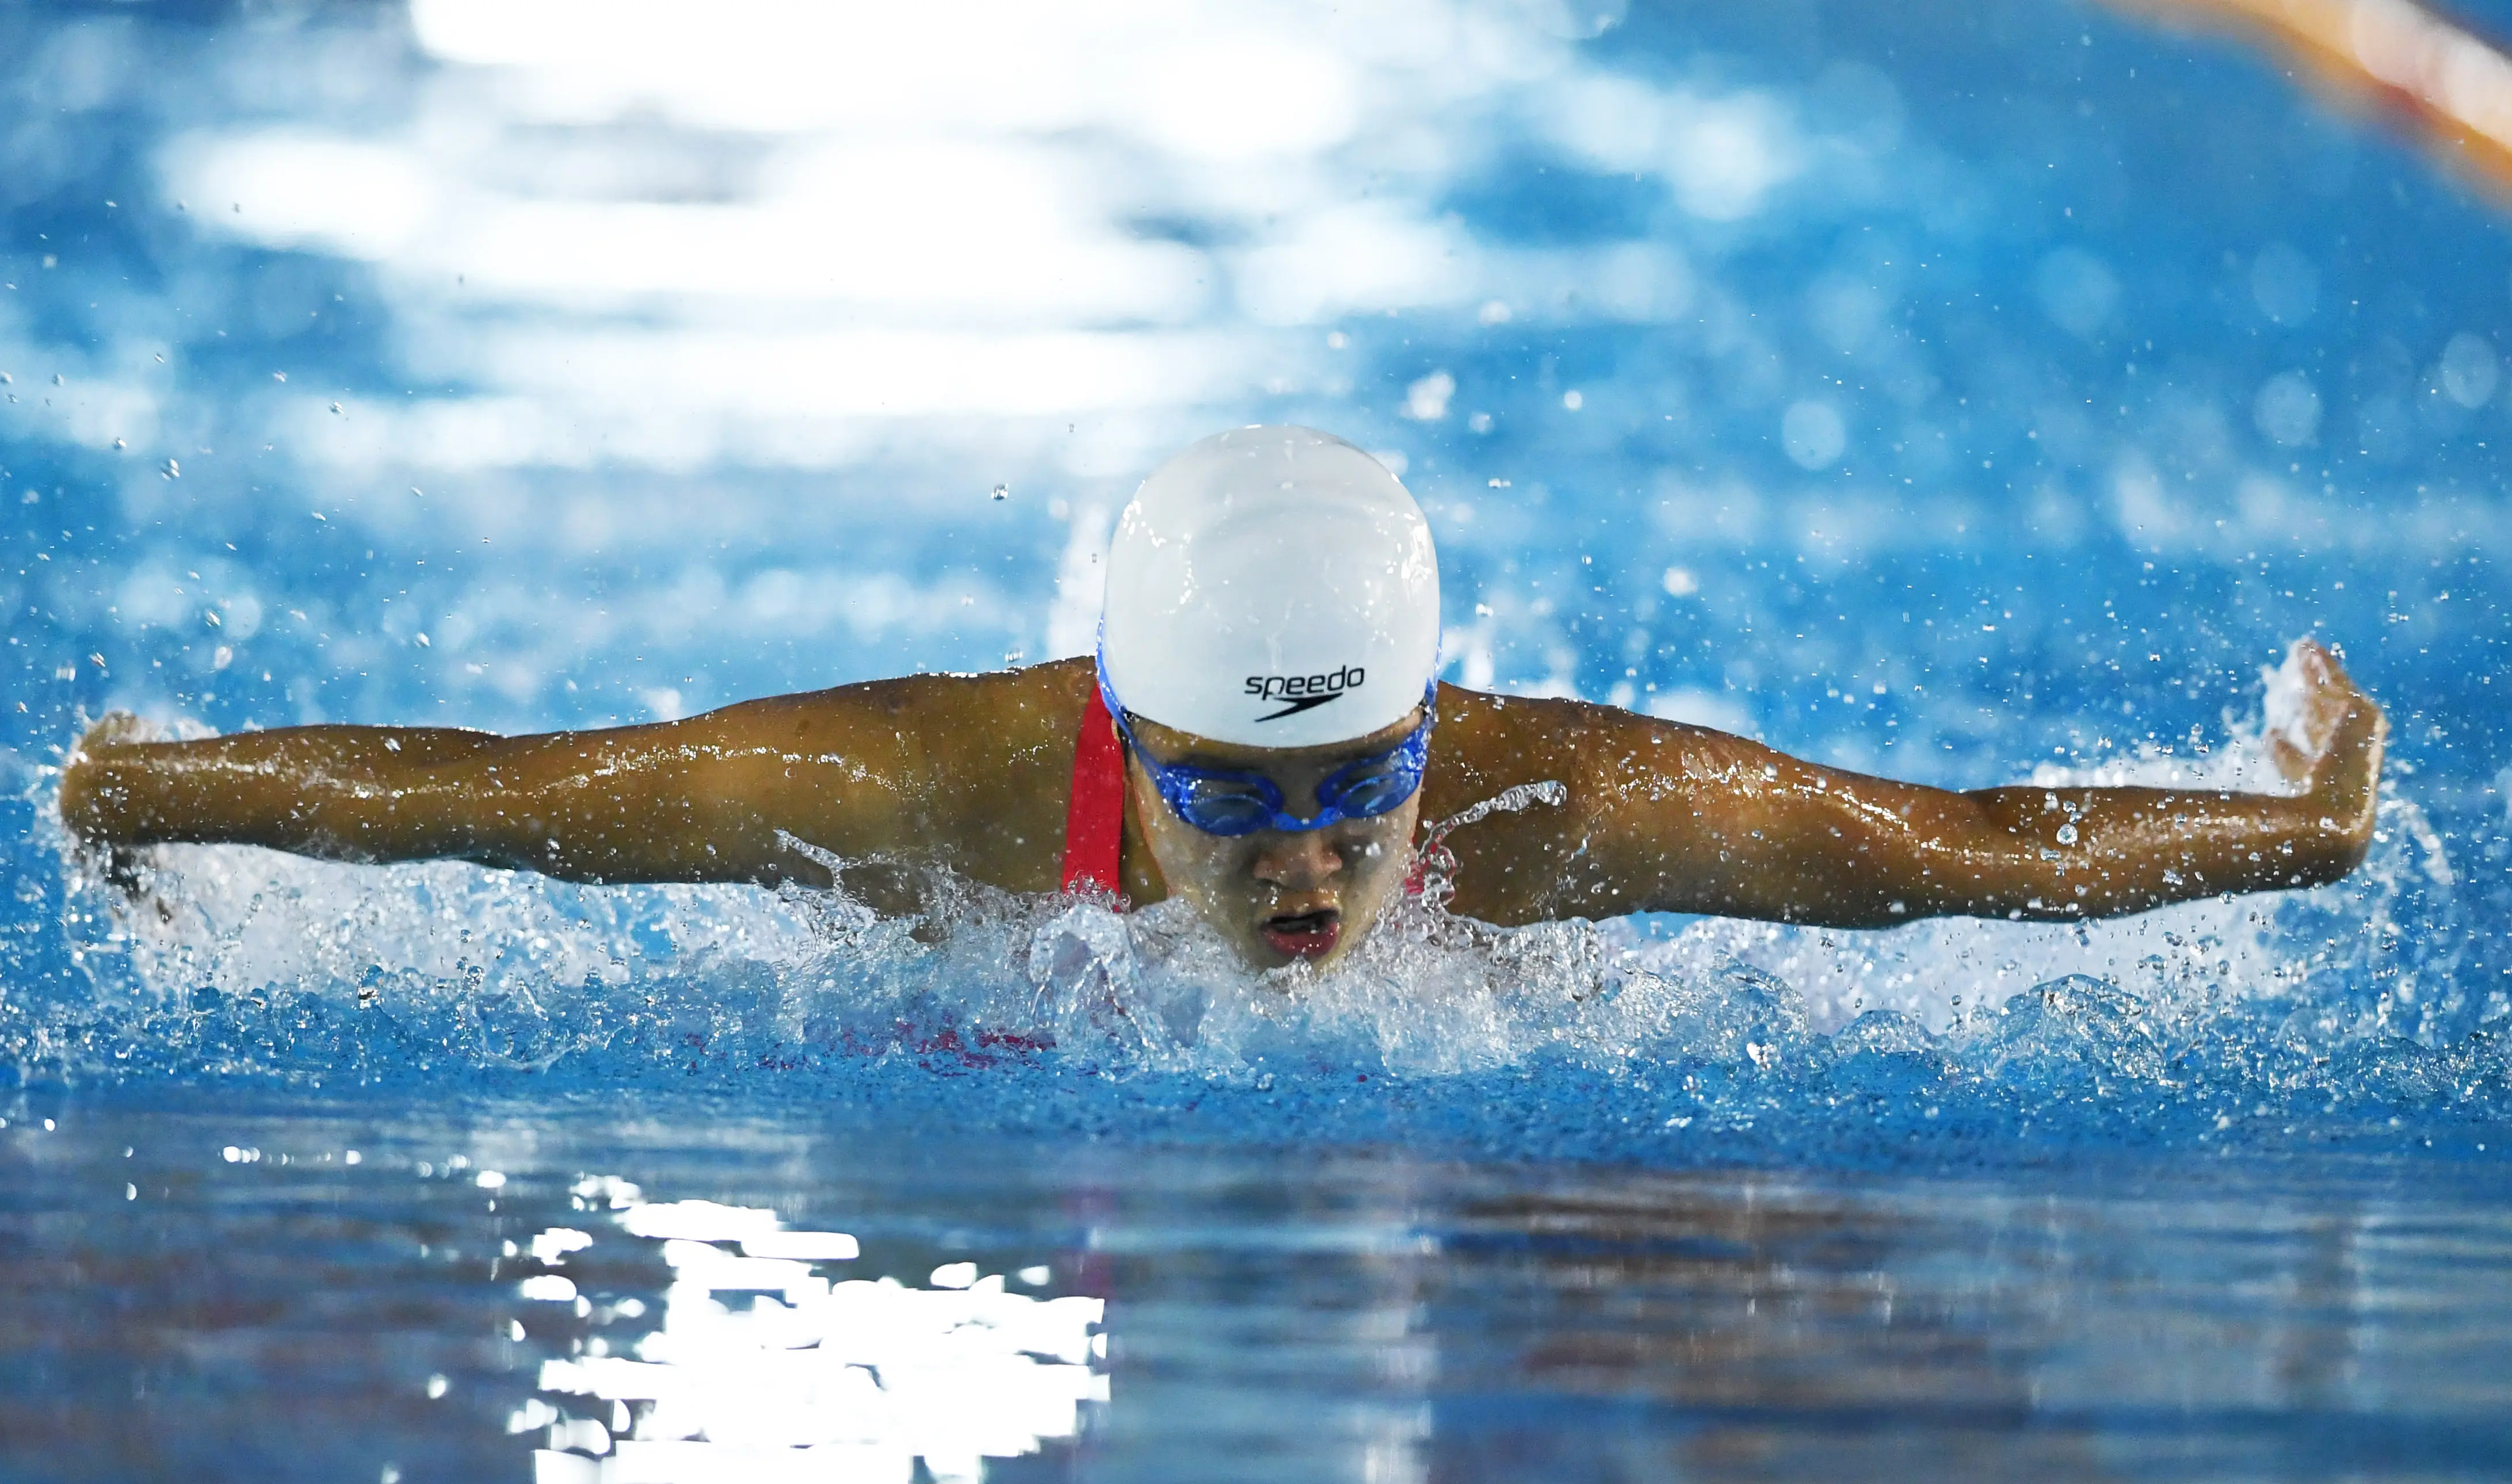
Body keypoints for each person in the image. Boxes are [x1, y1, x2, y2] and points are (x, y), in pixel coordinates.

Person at [58, 426, 2387, 973]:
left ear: (1425, 732)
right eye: (1227, 796)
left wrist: (2288, 834)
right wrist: (168, 788)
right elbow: (511, 798)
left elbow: (1944, 852)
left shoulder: (1541, 809)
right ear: (1113, 736)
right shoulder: (925, 791)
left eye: (1357, 791)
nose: (1306, 863)